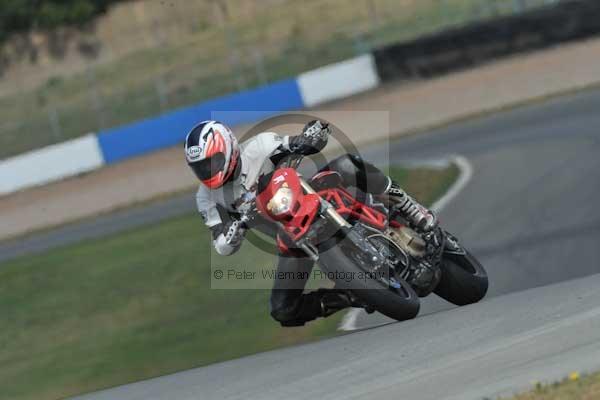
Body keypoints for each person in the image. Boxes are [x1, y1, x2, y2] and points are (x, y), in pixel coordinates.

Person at [185, 120, 437, 326]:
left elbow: (293, 144)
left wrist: (310, 136)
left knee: (347, 163)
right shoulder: (206, 198)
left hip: (310, 195)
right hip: (291, 236)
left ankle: (410, 208)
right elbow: (220, 244)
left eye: (212, 162)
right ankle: (351, 293)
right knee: (283, 309)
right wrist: (233, 231)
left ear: (228, 147)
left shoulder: (258, 147)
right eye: (200, 168)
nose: (208, 171)